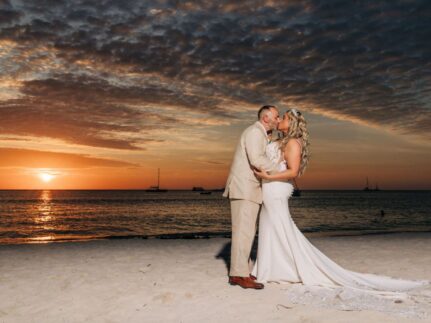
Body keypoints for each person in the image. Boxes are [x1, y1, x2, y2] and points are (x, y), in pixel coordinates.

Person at [251, 108, 428, 294]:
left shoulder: (293, 143)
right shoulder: (280, 140)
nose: (280, 120)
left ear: (293, 123)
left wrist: (268, 177)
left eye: (285, 118)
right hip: (270, 187)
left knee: (278, 226)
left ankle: (280, 269)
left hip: (276, 188)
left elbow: (293, 172)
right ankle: (270, 267)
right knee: (271, 226)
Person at [223, 105, 280, 289]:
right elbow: (256, 159)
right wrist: (280, 170)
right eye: (276, 117)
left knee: (246, 232)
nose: (278, 120)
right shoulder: (255, 132)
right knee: (243, 233)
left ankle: (239, 272)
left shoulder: (260, 133)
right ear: (265, 118)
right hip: (244, 188)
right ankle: (239, 275)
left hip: (248, 188)